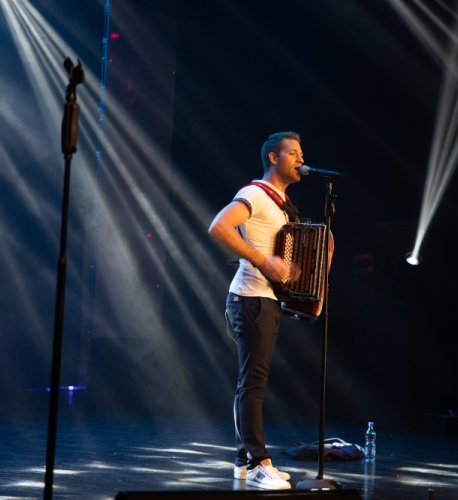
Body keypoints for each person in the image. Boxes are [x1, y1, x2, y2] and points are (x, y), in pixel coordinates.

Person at [208, 131, 304, 490]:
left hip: (265, 298)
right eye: (293, 153)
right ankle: (259, 462)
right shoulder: (255, 193)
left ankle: (243, 463)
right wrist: (263, 261)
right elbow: (219, 226)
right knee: (253, 384)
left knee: (252, 382)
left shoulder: (282, 203)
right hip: (250, 297)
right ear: (273, 158)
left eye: (301, 153)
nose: (301, 159)